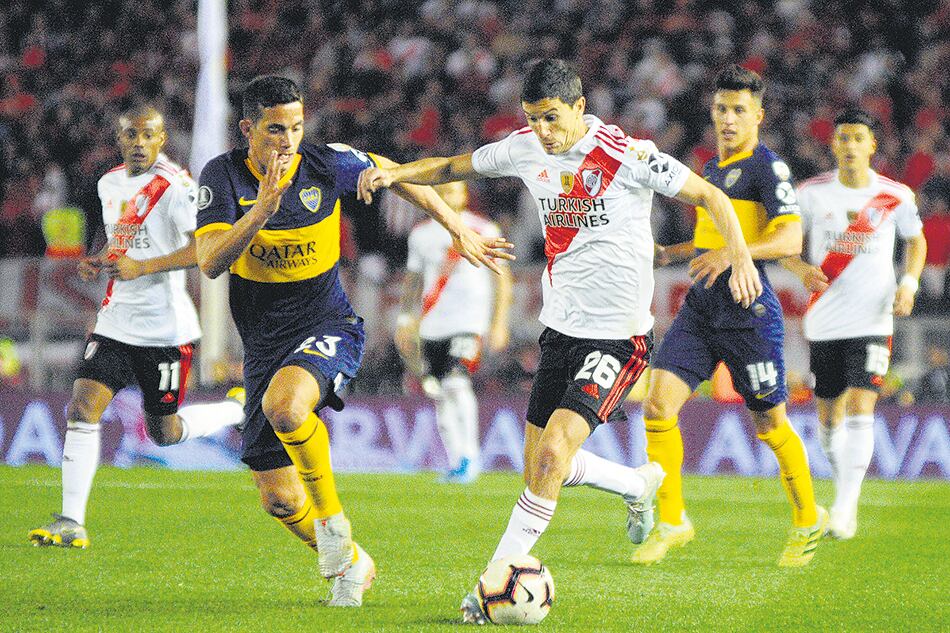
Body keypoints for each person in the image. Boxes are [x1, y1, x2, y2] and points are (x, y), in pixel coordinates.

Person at [357, 58, 761, 623]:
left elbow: (713, 198)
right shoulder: (526, 148)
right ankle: (634, 484)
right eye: (532, 119)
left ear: (578, 107)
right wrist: (397, 174)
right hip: (561, 334)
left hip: (618, 339)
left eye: (550, 118)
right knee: (541, 470)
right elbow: (453, 166)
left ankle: (487, 587)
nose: (542, 131)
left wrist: (740, 256)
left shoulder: (629, 155)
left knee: (551, 454)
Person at [193, 76, 512, 608]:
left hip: (327, 326)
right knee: (277, 498)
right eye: (275, 129)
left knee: (286, 406)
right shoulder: (222, 177)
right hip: (264, 344)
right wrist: (261, 211)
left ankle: (335, 525)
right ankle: (352, 561)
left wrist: (456, 225)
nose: (288, 139)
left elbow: (397, 175)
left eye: (296, 126)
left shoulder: (324, 164)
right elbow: (210, 262)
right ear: (248, 129)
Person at [28, 106, 245, 550]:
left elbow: (203, 252)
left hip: (166, 330)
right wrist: (102, 258)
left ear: (162, 139)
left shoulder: (178, 187)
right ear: (120, 138)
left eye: (149, 135)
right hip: (115, 321)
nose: (140, 143)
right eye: (132, 135)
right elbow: (121, 237)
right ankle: (72, 521)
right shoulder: (108, 183)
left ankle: (236, 409)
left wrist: (141, 266)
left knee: (163, 433)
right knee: (81, 409)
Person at [634, 65, 825, 568]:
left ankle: (808, 518)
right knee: (657, 405)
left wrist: (737, 256)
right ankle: (673, 520)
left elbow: (789, 239)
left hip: (748, 309)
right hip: (702, 305)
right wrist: (672, 253)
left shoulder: (768, 167)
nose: (728, 119)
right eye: (721, 109)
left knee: (770, 423)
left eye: (739, 110)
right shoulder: (712, 171)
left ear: (758, 116)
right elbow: (710, 243)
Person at [784, 108, 927, 538]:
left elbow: (916, 241)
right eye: (842, 138)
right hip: (825, 319)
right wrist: (800, 270)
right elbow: (786, 246)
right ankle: (843, 483)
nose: (849, 146)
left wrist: (909, 284)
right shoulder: (810, 194)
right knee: (828, 415)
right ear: (833, 145)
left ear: (871, 146)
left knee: (862, 405)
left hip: (873, 316)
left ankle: (845, 510)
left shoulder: (895, 195)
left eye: (857, 138)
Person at [395, 181, 513, 483]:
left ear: (464, 195)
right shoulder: (421, 235)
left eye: (456, 190)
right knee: (439, 392)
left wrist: (498, 322)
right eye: (444, 191)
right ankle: (455, 460)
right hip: (433, 323)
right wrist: (406, 318)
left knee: (456, 383)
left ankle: (470, 458)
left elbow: (502, 279)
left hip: (469, 321)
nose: (450, 196)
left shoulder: (484, 229)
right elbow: (414, 279)